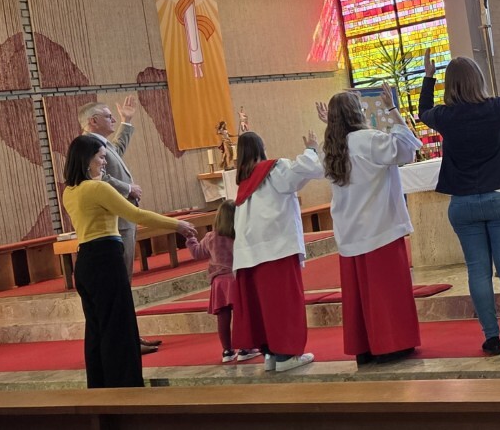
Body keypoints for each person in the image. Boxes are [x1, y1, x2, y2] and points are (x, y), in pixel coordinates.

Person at [418, 39, 500, 355]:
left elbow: (422, 112)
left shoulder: (444, 116)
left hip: (464, 203)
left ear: (450, 85)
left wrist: (429, 77)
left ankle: (491, 337)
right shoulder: (495, 108)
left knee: (477, 270)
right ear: (479, 81)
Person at [61, 135, 196, 388]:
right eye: (101, 157)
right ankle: (125, 384)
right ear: (87, 159)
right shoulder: (97, 189)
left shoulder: (69, 192)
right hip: (105, 258)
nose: (104, 162)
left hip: (86, 260)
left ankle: (100, 385)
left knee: (97, 327)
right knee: (118, 324)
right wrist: (176, 224)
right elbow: (135, 214)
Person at [319, 83, 422, 365]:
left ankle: (364, 347)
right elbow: (406, 150)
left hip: (350, 232)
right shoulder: (369, 140)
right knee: (386, 292)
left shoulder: (330, 149)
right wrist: (393, 110)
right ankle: (391, 345)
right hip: (380, 227)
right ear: (357, 112)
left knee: (359, 295)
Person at [233, 130, 322, 372]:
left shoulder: (242, 181)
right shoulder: (273, 169)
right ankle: (287, 356)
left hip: (249, 254)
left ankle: (271, 355)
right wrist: (311, 149)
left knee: (264, 307)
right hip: (277, 249)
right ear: (262, 147)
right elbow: (304, 171)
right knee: (284, 304)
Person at [78, 98, 161, 354]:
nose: (112, 119)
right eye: (108, 116)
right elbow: (98, 177)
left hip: (123, 221)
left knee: (125, 284)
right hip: (115, 223)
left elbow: (117, 150)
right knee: (120, 285)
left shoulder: (101, 144)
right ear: (93, 121)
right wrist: (128, 188)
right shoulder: (87, 146)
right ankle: (127, 340)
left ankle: (131, 336)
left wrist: (126, 121)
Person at [185, 200, 259, 364]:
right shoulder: (239, 235)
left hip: (219, 283)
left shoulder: (211, 237)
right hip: (236, 279)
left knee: (223, 318)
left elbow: (197, 253)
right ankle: (245, 348)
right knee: (241, 315)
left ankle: (227, 351)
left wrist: (190, 238)